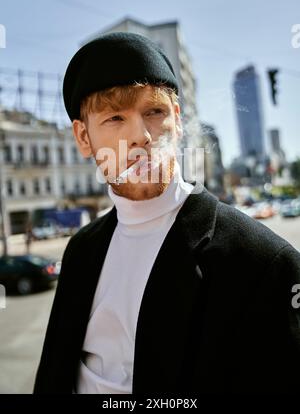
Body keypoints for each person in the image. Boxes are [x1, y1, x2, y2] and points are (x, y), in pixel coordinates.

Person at [34, 32, 300, 394]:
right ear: (83, 137)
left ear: (176, 118)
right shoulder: (81, 250)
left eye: (154, 112)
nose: (141, 135)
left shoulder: (265, 261)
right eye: (114, 118)